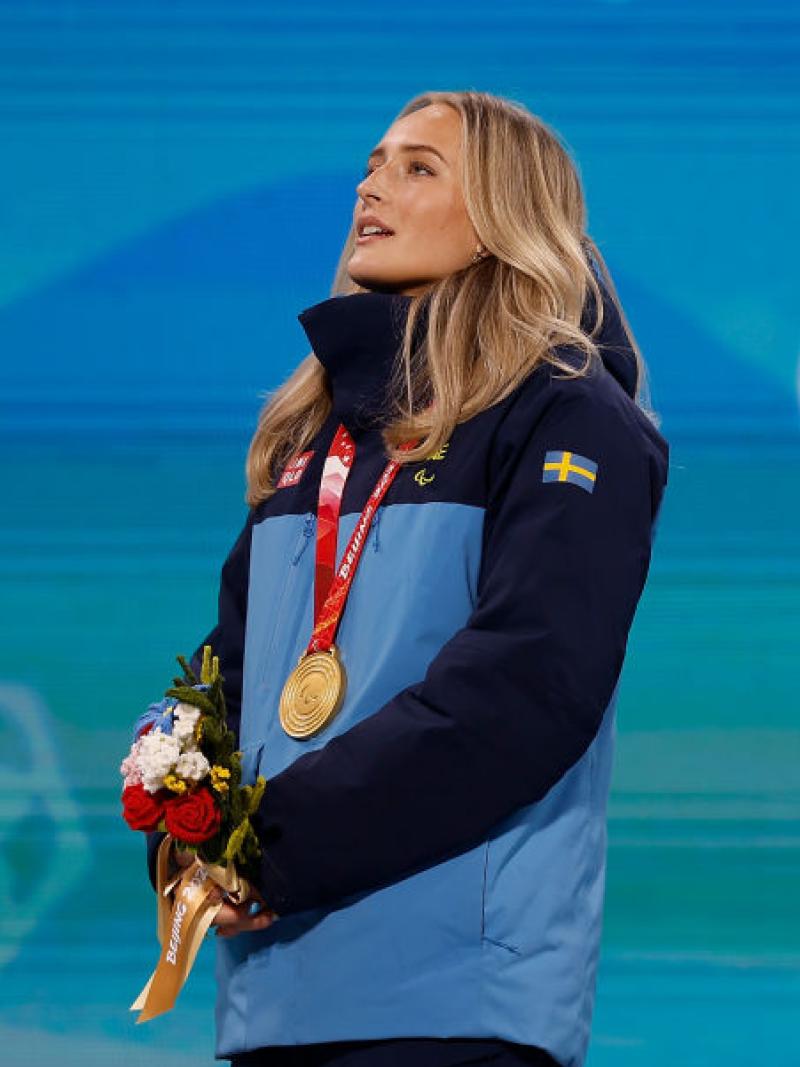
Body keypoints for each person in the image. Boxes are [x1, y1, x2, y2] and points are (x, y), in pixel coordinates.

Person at [145, 90, 669, 1067]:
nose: (370, 186)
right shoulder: (313, 440)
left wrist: (266, 849)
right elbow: (228, 669)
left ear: (499, 219)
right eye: (373, 162)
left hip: (452, 1009)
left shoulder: (566, 416)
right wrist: (179, 807)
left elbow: (523, 689)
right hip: (278, 996)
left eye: (417, 167)